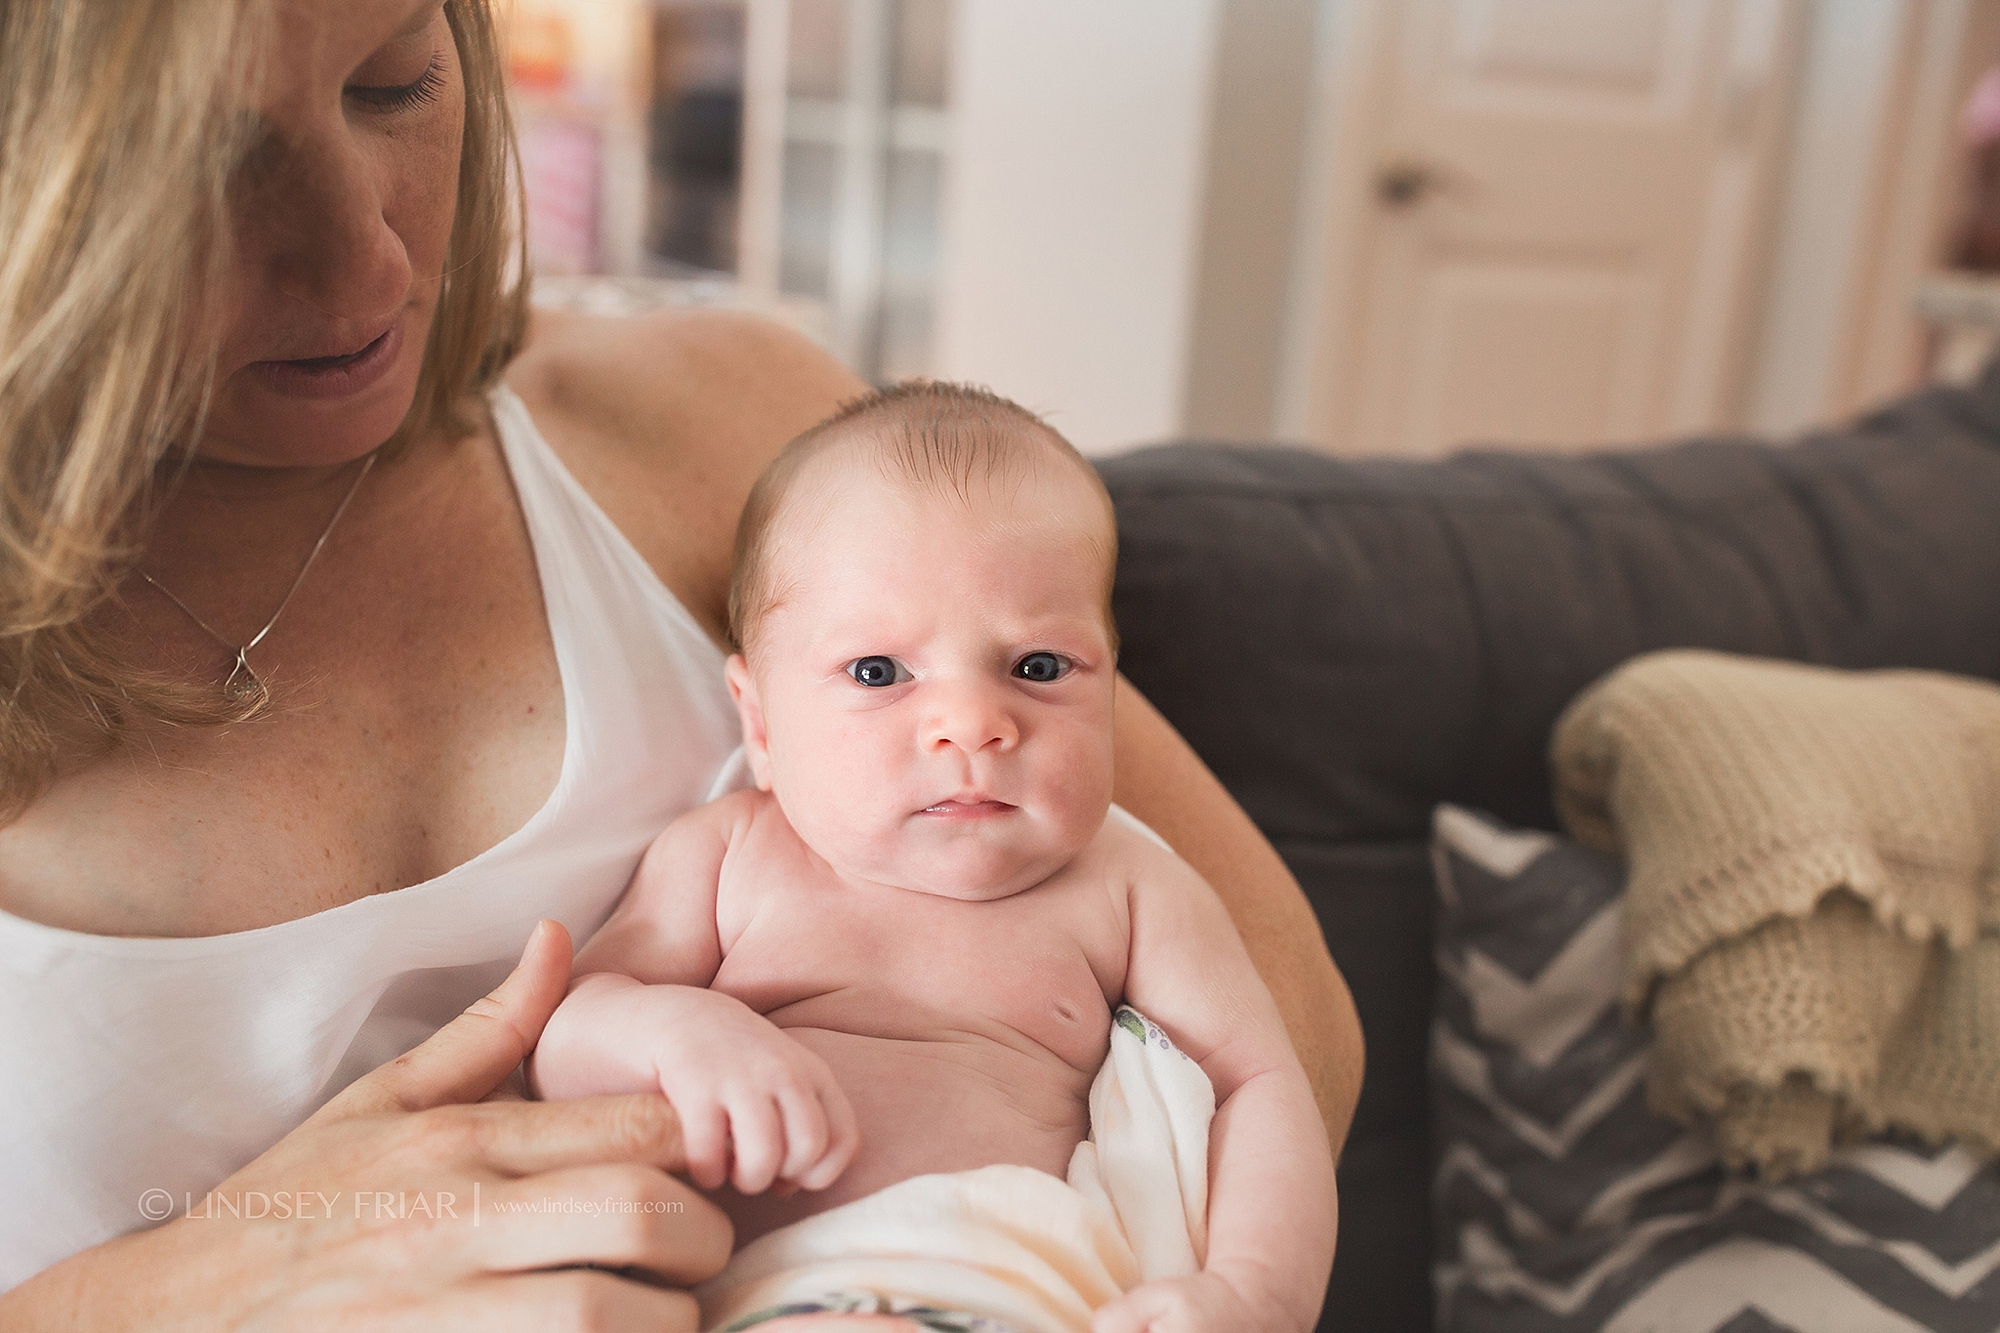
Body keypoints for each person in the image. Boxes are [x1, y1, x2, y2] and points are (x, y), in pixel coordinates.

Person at [0, 1, 1361, 1328]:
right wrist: (166, 1295)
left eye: (393, 81)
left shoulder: (747, 438)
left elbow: (1275, 1036)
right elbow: (597, 1010)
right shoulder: (727, 866)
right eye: (205, 170)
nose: (368, 266)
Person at [532, 383, 1337, 1331]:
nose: (971, 725)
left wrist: (1253, 1291)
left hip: (1010, 1292)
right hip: (748, 1295)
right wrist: (674, 1033)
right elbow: (563, 1038)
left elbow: (1259, 1086)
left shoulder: (1130, 887)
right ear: (759, 720)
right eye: (879, 673)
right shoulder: (727, 856)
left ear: (1111, 687)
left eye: (1038, 667)